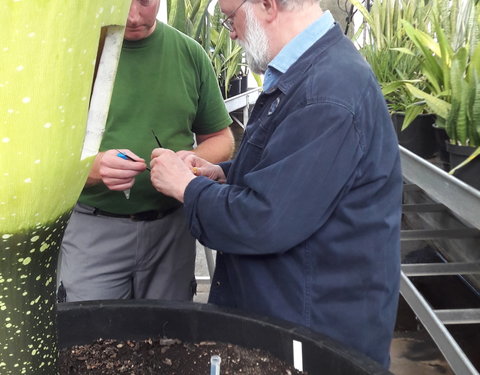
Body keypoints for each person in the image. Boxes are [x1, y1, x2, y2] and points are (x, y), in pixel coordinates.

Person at [149, 0, 402, 369]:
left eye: (230, 17)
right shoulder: (311, 71)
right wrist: (225, 173)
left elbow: (263, 220)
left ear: (267, 5)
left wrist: (186, 187)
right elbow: (294, 176)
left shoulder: (326, 93)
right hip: (298, 316)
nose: (231, 31)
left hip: (313, 337)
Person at [58, 0, 234, 303]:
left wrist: (189, 162)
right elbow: (43, 157)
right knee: (94, 339)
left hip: (171, 230)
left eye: (144, 2)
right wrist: (94, 168)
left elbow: (221, 138)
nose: (132, 15)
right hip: (94, 229)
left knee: (167, 338)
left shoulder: (189, 54)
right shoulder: (73, 56)